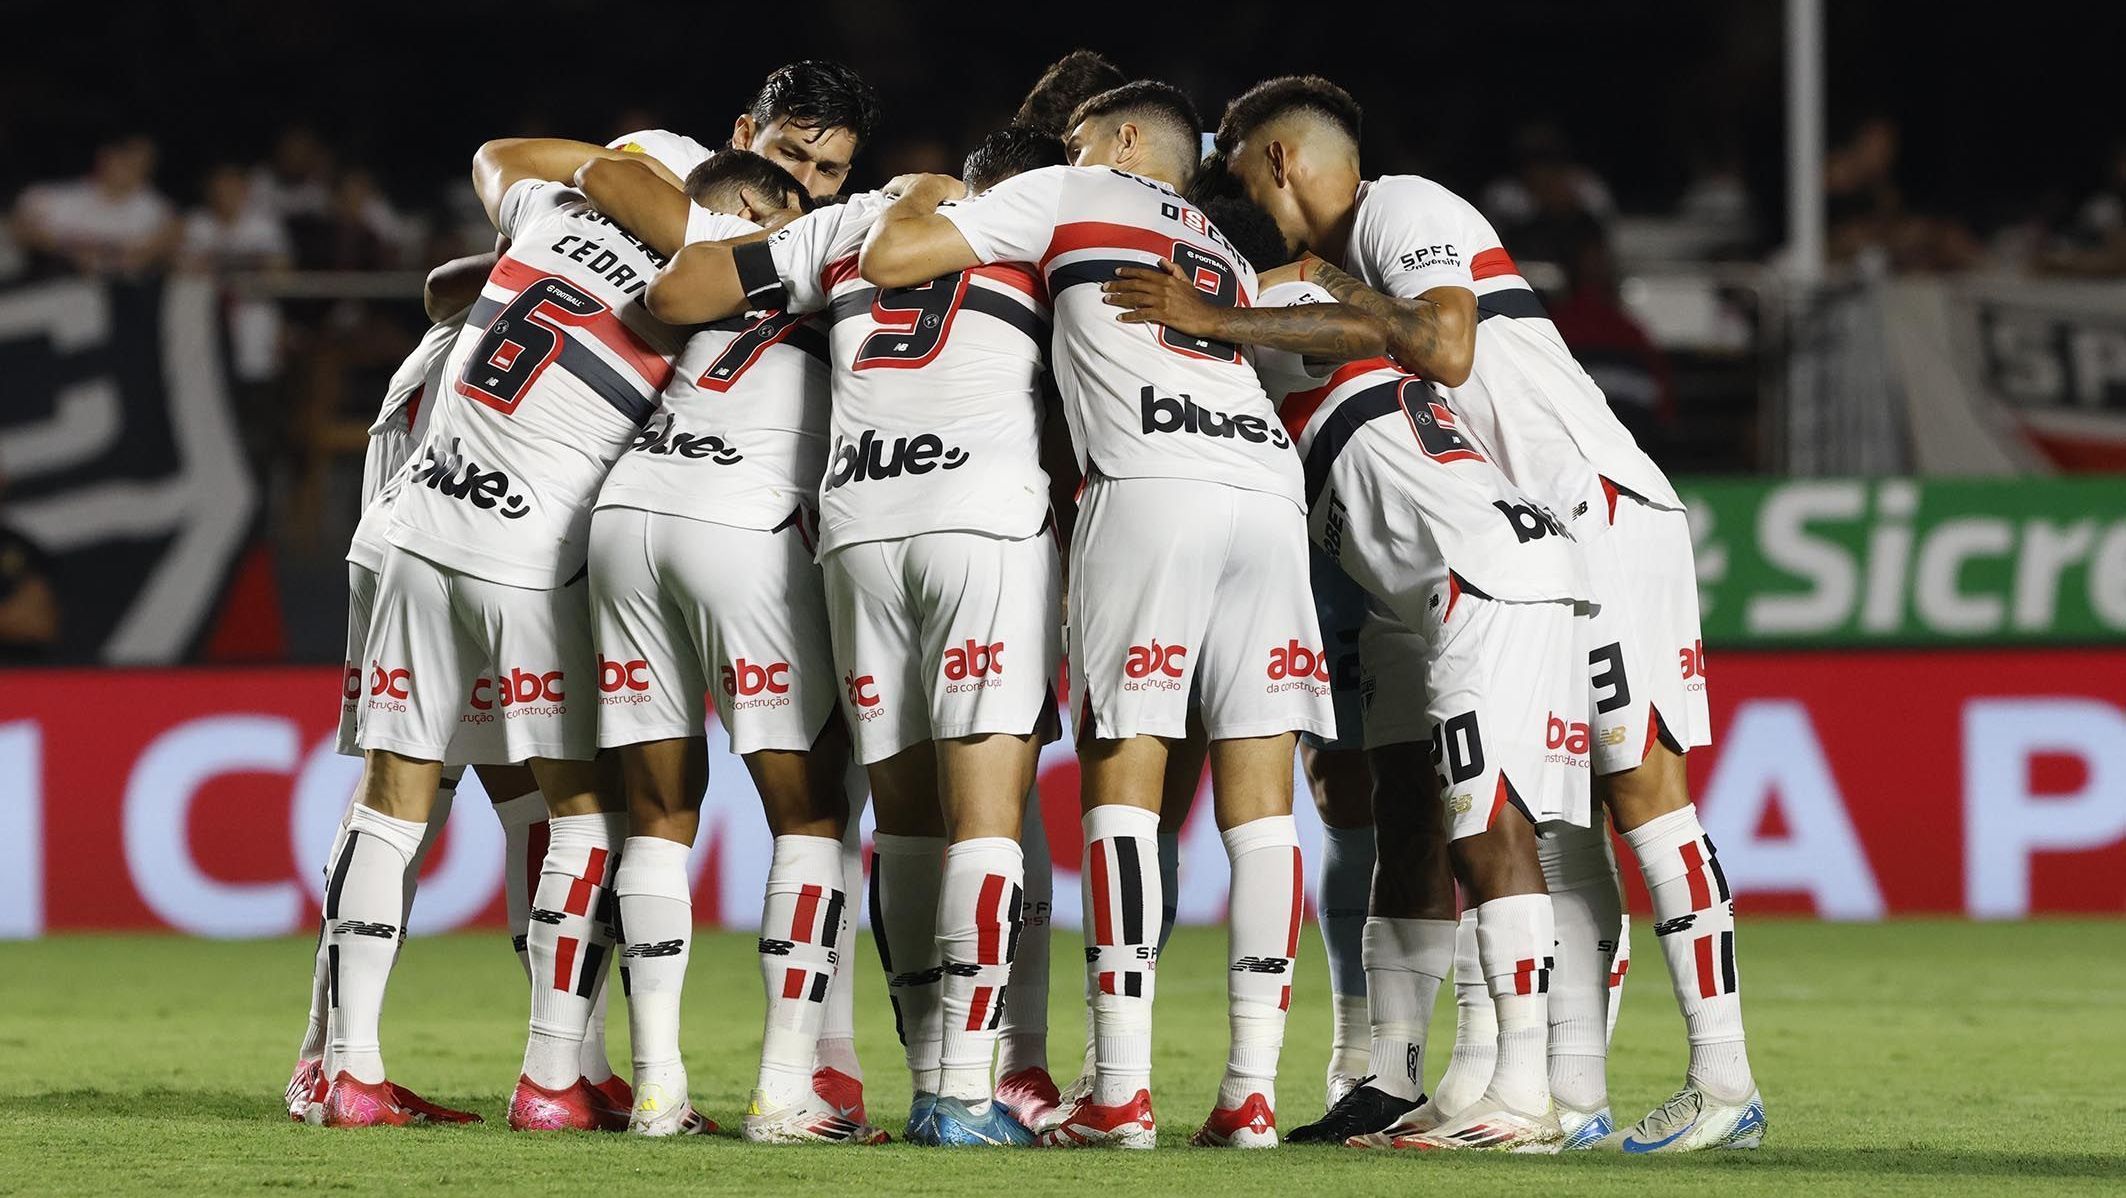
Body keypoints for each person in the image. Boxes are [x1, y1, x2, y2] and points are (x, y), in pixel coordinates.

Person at [1204, 75, 1763, 1152]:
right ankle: (1567, 1086)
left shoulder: (1402, 206)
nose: (1234, 191)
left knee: (1641, 789)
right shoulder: (1349, 265)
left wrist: (1273, 293)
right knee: (1556, 829)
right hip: (1530, 532)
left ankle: (1723, 1075)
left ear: (1274, 159)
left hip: (1594, 501)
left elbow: (1449, 346)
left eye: (1233, 169)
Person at [860, 81, 1333, 1150]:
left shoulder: (1073, 193)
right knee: (1260, 807)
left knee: (1123, 781)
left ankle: (1118, 1089)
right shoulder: (1217, 237)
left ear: (1120, 141)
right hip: (1265, 491)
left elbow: (897, 261)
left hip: (1146, 487)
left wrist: (933, 198)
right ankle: (1249, 1095)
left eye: (1075, 140)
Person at [1112, 189, 1596, 1151]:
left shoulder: (1275, 307)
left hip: (1479, 576)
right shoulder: (1322, 307)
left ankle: (1527, 1092)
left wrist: (1214, 312)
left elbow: (1305, 306)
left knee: (1488, 830)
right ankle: (1416, 1080)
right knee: (1421, 817)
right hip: (1440, 588)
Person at [644, 126, 1068, 1147]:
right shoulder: (1044, 228)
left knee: (908, 821)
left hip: (860, 526)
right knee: (986, 815)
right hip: (981, 519)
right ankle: (962, 1093)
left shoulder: (841, 224)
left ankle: (929, 1072)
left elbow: (672, 297)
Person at [322, 133, 696, 1130]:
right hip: (526, 551)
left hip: (406, 517)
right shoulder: (693, 271)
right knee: (582, 811)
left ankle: (340, 1066)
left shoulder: (546, 219)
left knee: (395, 799)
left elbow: (450, 276)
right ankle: (553, 1074)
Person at [568, 146, 885, 1142]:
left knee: (658, 808)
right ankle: (784, 1091)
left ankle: (658, 1091)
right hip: (743, 522)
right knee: (808, 807)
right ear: (784, 206)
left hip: (628, 513)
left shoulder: (705, 267)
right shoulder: (840, 263)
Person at [11, 135, 180, 277]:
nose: (135, 169)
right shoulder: (51, 197)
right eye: (128, 159)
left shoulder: (159, 211)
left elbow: (150, 254)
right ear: (105, 157)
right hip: (52, 285)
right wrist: (67, 251)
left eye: (144, 164)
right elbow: (20, 230)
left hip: (121, 295)